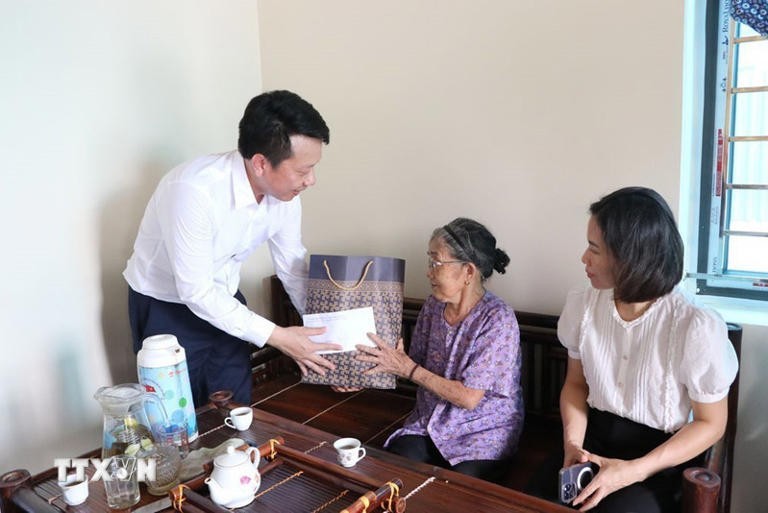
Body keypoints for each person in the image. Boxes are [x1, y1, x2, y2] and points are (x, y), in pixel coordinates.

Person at [124, 90, 341, 408]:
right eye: (303, 170)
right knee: (179, 417)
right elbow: (195, 291)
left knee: (235, 408)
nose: (311, 181)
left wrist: (326, 340)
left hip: (224, 299)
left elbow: (293, 268)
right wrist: (279, 337)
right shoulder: (193, 191)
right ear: (261, 163)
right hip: (165, 306)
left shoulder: (284, 196)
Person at [540, 187, 738, 512]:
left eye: (594, 249)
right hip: (594, 437)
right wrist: (572, 445)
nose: (583, 258)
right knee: (536, 502)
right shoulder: (584, 305)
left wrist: (634, 470)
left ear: (630, 257)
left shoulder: (694, 325)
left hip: (660, 458)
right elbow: (576, 385)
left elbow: (711, 423)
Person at [354, 217, 523, 483]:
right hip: (430, 424)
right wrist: (362, 376)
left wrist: (406, 367)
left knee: (455, 489)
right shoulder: (434, 306)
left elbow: (469, 398)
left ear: (468, 271)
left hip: (481, 431)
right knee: (390, 470)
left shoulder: (497, 319)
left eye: (436, 263)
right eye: (429, 261)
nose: (428, 271)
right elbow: (413, 363)